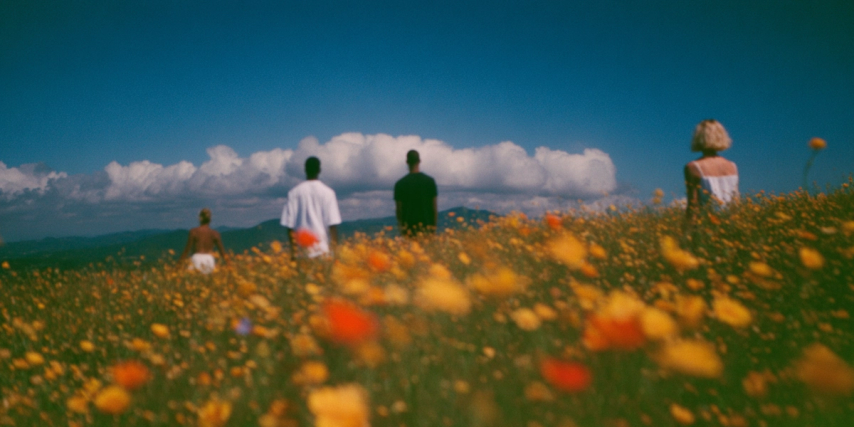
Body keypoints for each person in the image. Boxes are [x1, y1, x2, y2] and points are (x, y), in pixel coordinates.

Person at [281, 156, 342, 259]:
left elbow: (289, 226)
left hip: (302, 254)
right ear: (319, 170)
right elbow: (332, 226)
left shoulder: (293, 193)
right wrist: (335, 255)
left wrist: (293, 253)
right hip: (322, 252)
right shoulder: (328, 193)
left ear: (305, 170)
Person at [684, 119, 739, 228]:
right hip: (730, 225)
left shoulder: (693, 167)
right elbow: (736, 201)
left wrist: (685, 235)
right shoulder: (732, 166)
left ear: (698, 137)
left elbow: (693, 206)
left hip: (706, 226)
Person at [394, 150, 438, 238]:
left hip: (409, 230)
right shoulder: (429, 181)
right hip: (427, 229)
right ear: (419, 161)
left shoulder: (400, 184)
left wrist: (402, 229)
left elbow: (399, 210)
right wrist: (433, 228)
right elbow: (434, 208)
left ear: (406, 162)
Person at [179, 208, 229, 274]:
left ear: (200, 218)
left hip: (196, 258)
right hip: (209, 260)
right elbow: (223, 253)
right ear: (210, 220)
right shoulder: (215, 234)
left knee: (194, 283)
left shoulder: (193, 232)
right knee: (207, 283)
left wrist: (178, 266)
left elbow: (186, 251)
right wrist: (230, 266)